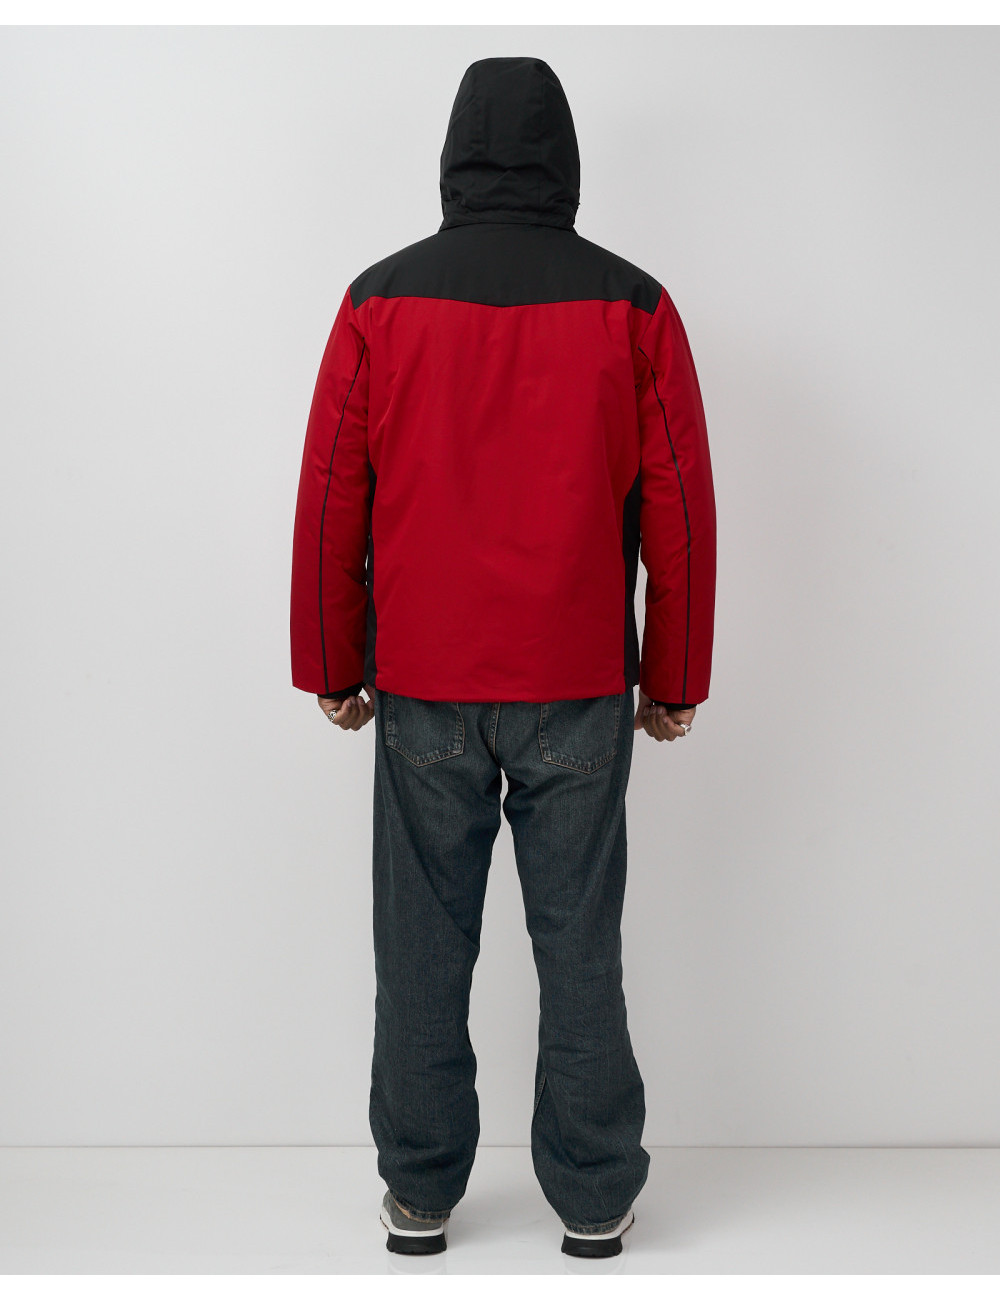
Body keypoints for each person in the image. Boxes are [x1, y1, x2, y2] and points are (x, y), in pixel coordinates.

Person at [289, 55, 717, 1259]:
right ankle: (592, 1198)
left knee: (422, 940)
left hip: (425, 681)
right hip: (575, 682)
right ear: (563, 160)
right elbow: (679, 503)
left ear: (453, 158)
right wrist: (673, 674)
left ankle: (421, 1193)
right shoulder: (633, 304)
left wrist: (333, 659)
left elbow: (331, 493)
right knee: (578, 939)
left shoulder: (378, 301)